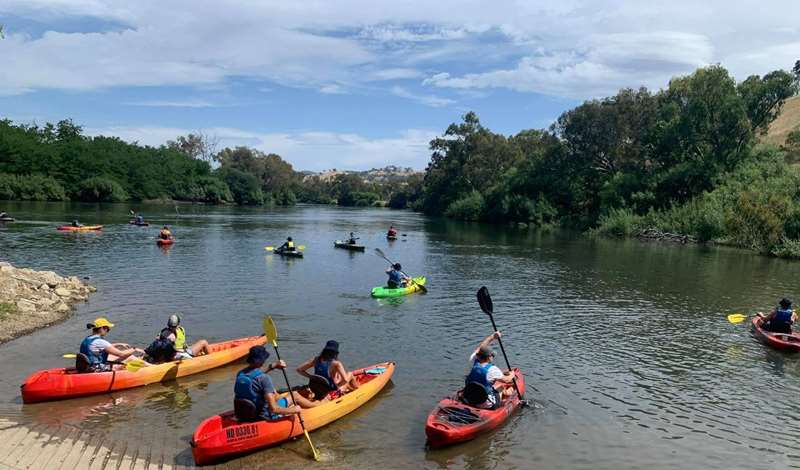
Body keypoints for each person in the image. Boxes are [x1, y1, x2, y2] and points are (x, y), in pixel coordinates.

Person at [234, 345, 325, 421]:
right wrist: (294, 410)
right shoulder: (264, 379)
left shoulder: (241, 374)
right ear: (262, 360)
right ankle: (317, 405)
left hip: (246, 414)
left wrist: (273, 366)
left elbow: (255, 376)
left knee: (275, 393)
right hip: (264, 416)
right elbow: (274, 409)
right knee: (295, 395)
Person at [465, 332, 516, 409]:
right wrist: (512, 374)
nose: (493, 357)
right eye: (492, 355)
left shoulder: (473, 359)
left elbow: (481, 347)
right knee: (501, 387)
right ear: (489, 357)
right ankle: (508, 393)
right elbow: (507, 380)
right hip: (486, 404)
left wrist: (492, 337)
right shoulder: (493, 369)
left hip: (469, 398)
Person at [79, 317, 146, 372]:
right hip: (94, 368)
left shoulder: (88, 339)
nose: (108, 331)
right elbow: (121, 354)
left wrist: (119, 344)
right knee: (123, 366)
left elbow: (103, 347)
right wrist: (134, 349)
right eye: (108, 329)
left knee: (118, 361)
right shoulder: (100, 341)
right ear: (103, 328)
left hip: (87, 367)